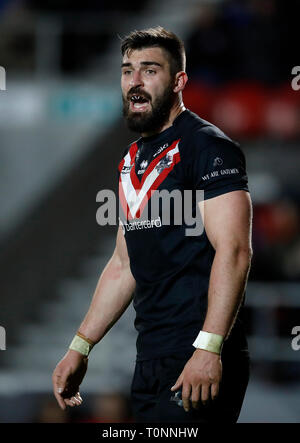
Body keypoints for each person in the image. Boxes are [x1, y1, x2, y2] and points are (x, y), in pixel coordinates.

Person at [52, 26, 253, 423]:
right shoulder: (131, 159)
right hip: (150, 355)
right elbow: (124, 265)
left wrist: (208, 348)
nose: (135, 82)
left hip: (199, 354)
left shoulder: (208, 147)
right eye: (127, 71)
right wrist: (80, 345)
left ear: (179, 81)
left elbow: (235, 250)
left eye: (149, 70)